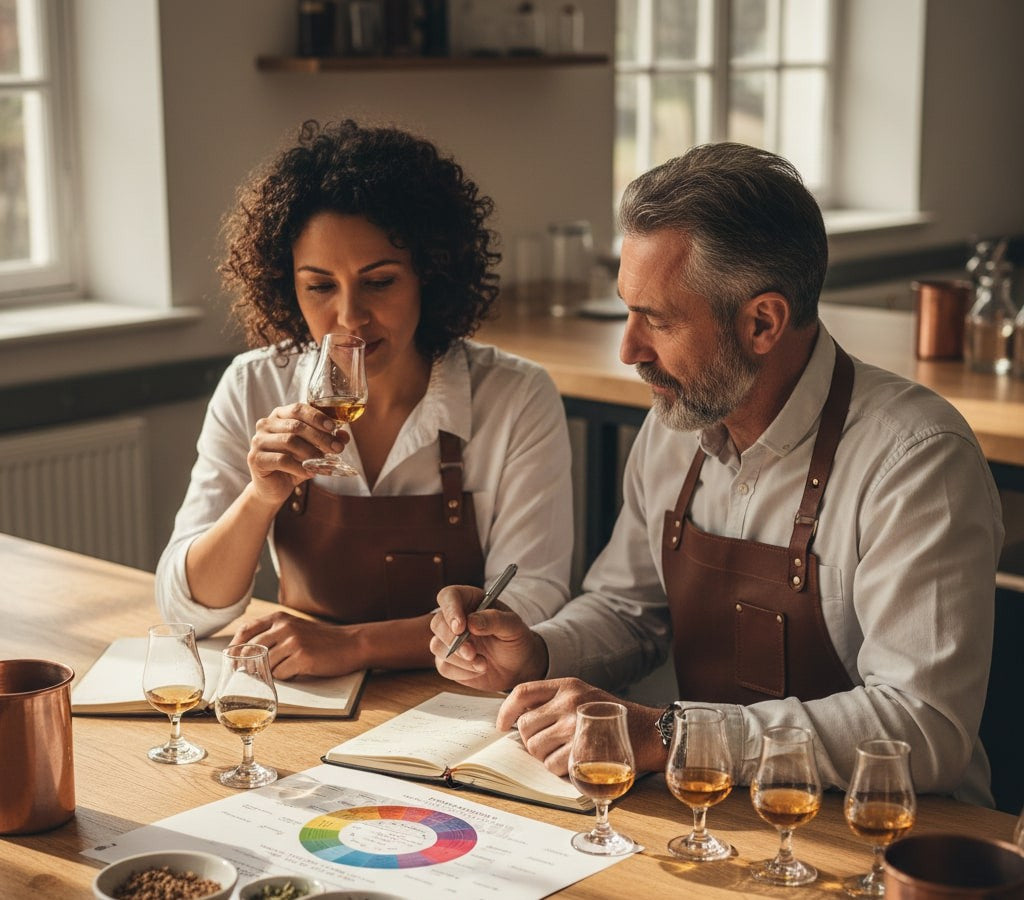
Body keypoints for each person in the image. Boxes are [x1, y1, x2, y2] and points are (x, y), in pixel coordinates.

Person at [430, 142, 1004, 806]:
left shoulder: (915, 459)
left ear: (762, 322)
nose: (628, 350)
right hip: (716, 808)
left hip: (895, 831)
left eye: (657, 320)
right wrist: (536, 653)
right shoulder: (680, 418)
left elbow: (923, 727)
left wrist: (677, 736)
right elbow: (628, 609)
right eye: (627, 310)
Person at [156, 119, 573, 678]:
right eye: (320, 286)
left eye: (379, 282)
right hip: (305, 699)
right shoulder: (252, 385)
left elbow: (532, 603)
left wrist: (352, 646)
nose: (350, 317)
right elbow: (187, 608)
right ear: (287, 286)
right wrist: (260, 497)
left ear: (430, 272)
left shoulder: (516, 397)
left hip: (462, 702)